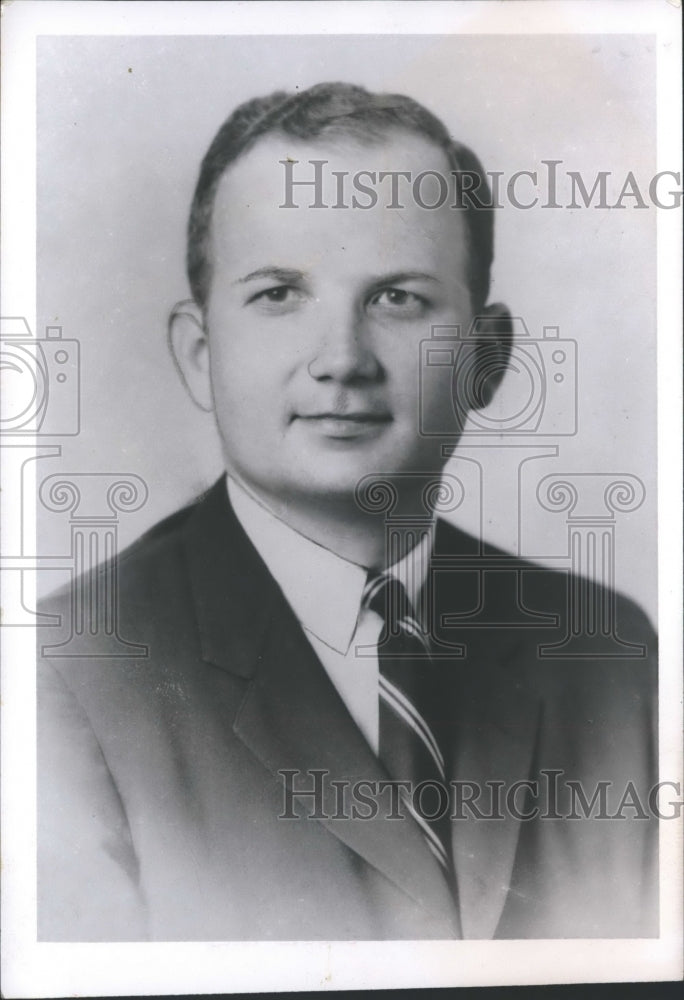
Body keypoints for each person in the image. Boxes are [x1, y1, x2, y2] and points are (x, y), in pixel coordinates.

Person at [37, 82, 657, 941]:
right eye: (280, 294)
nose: (342, 360)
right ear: (199, 352)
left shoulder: (609, 655)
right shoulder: (66, 675)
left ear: (487, 358)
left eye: (397, 298)